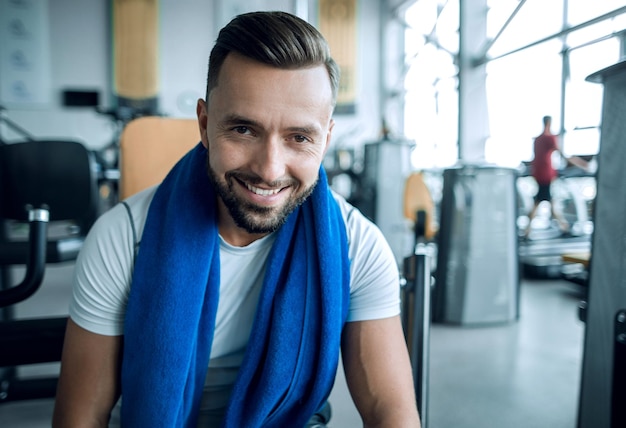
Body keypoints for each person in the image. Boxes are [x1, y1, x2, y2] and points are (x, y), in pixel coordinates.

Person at [52, 11, 421, 428]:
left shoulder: (358, 245)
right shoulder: (122, 238)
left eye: (299, 137)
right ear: (205, 125)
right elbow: (79, 418)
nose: (269, 168)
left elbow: (390, 411)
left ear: (326, 140)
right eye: (244, 130)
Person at [525, 115, 587, 238]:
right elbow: (562, 154)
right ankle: (528, 230)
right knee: (539, 202)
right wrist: (582, 164)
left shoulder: (537, 139)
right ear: (549, 123)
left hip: (538, 174)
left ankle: (563, 227)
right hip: (546, 175)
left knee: (547, 201)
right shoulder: (549, 138)